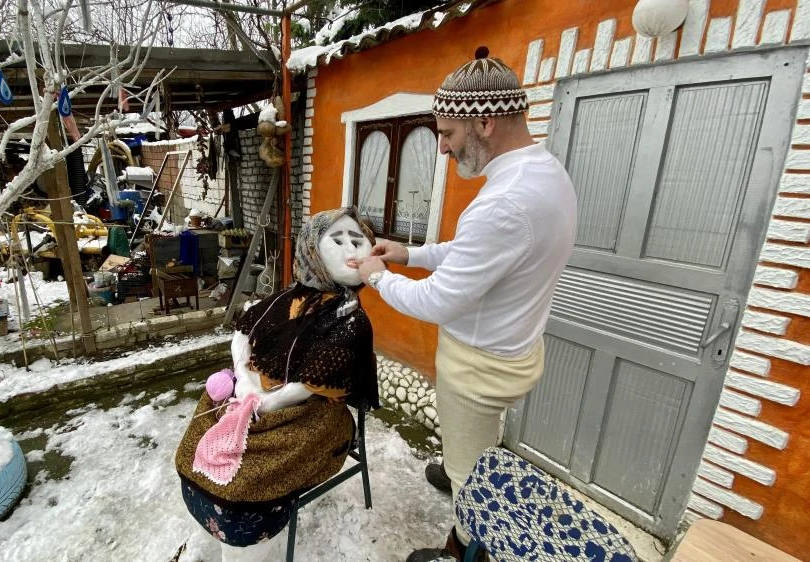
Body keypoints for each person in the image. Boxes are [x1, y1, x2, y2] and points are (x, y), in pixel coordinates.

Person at [352, 46, 577, 562]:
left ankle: (466, 548)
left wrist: (378, 275)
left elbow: (440, 299)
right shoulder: (543, 173)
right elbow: (480, 254)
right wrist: (411, 251)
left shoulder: (504, 202)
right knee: (475, 448)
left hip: (480, 370)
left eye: (448, 135)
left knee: (470, 477)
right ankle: (464, 463)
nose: (443, 150)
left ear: (484, 123)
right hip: (513, 350)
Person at [176, 207, 380, 562]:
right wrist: (241, 375)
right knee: (200, 438)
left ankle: (247, 541)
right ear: (311, 249)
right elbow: (243, 331)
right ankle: (214, 523)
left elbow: (309, 385)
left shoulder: (352, 321)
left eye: (357, 240)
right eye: (338, 239)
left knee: (248, 478)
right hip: (250, 395)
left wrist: (261, 402)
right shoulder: (286, 297)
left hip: (312, 417)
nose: (352, 250)